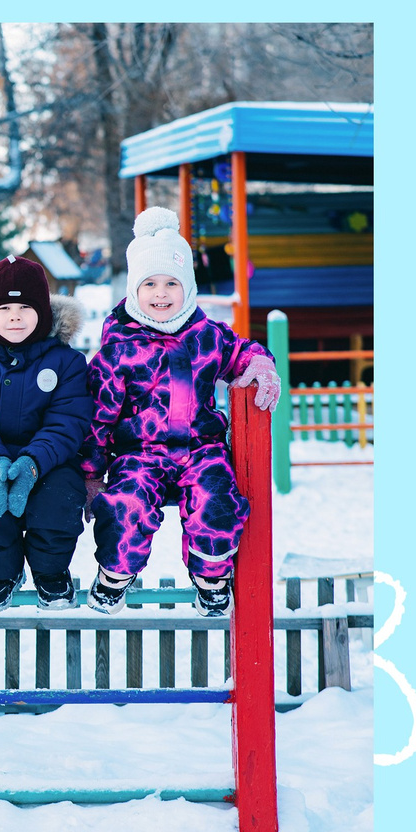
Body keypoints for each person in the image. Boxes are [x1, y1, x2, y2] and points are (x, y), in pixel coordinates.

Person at [86, 210, 281, 614]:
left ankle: (211, 575)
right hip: (140, 453)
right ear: (133, 289)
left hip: (201, 449)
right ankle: (115, 574)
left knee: (217, 499)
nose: (161, 293)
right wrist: (90, 470)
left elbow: (241, 352)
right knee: (126, 504)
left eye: (172, 283)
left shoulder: (207, 334)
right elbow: (99, 415)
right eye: (150, 284)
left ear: (188, 287)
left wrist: (259, 365)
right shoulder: (119, 349)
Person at [0, 256, 93, 612]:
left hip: (48, 460)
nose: (15, 316)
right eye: (5, 307)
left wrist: (32, 463)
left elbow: (68, 420)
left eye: (25, 307)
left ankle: (51, 573)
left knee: (61, 495)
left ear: (42, 311)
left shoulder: (67, 362)